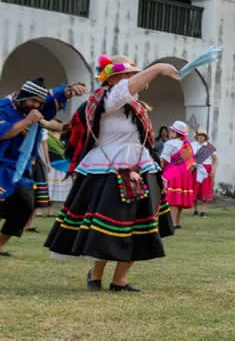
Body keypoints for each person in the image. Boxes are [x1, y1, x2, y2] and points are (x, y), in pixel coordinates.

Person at [46, 55, 177, 291]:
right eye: (128, 75)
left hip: (142, 167)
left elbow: (144, 141)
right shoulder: (105, 100)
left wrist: (158, 172)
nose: (134, 80)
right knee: (109, 226)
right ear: (113, 78)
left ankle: (120, 280)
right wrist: (157, 68)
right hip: (109, 169)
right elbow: (124, 91)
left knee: (140, 226)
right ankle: (95, 275)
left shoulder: (136, 107)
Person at [0, 78, 86, 256]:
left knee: (25, 205)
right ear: (22, 98)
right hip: (2, 164)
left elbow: (55, 96)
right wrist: (28, 121)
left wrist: (71, 90)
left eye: (40, 103)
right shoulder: (4, 108)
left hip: (19, 167)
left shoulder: (34, 105)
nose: (37, 106)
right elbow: (5, 133)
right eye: (33, 101)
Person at [161, 121, 196, 228]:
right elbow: (192, 162)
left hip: (173, 172)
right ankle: (177, 222)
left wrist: (160, 170)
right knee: (179, 198)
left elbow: (164, 159)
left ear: (176, 133)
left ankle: (171, 223)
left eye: (172, 131)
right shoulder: (187, 144)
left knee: (173, 200)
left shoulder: (170, 143)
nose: (170, 133)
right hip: (184, 173)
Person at [46, 120, 73, 217]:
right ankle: (39, 210)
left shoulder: (65, 136)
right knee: (48, 187)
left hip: (64, 164)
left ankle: (51, 210)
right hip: (51, 163)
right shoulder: (46, 136)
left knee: (57, 187)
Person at [191, 129, 217, 218]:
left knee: (205, 189)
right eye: (199, 135)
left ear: (205, 137)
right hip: (196, 168)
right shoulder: (192, 145)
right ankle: (195, 210)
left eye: (202, 136)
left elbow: (216, 159)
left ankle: (203, 211)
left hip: (206, 169)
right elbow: (189, 157)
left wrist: (214, 170)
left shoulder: (209, 147)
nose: (200, 137)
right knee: (195, 189)